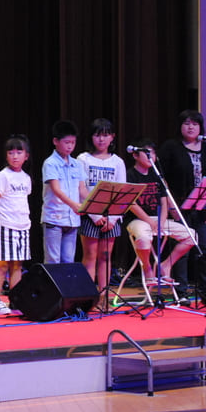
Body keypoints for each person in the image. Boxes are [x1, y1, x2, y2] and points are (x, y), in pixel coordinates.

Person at [158, 110, 206, 306]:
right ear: (180, 126)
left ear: (200, 127)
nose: (190, 127)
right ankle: (181, 292)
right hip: (179, 207)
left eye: (194, 123)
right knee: (183, 250)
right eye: (186, 123)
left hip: (204, 208)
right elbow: (161, 178)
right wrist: (170, 205)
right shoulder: (171, 147)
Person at [126, 140, 196, 296]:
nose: (151, 157)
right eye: (147, 153)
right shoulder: (130, 175)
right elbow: (132, 204)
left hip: (158, 219)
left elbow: (164, 202)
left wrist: (162, 221)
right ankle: (147, 267)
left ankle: (166, 265)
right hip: (139, 220)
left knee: (192, 236)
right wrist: (150, 221)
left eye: (153, 153)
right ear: (136, 155)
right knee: (144, 238)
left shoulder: (157, 174)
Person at [76, 119, 126, 294]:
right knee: (90, 256)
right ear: (91, 137)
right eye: (98, 135)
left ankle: (104, 294)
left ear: (112, 137)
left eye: (105, 135)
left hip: (112, 216)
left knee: (105, 256)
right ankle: (87, 295)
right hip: (90, 215)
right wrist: (96, 216)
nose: (101, 140)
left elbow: (122, 191)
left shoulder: (117, 162)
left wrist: (112, 218)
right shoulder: (83, 159)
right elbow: (80, 189)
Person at [0, 135, 32, 316]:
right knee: (3, 264)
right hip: (5, 225)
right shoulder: (3, 176)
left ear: (26, 156)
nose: (15, 156)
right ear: (6, 156)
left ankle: (15, 299)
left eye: (19, 152)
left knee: (17, 265)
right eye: (11, 153)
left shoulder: (26, 178)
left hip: (23, 226)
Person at [41, 120, 88, 264]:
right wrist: (74, 204)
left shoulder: (76, 164)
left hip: (72, 220)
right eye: (67, 142)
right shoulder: (50, 163)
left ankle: (65, 287)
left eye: (73, 142)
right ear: (56, 141)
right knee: (53, 260)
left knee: (68, 260)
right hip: (54, 218)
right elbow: (56, 190)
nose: (70, 146)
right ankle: (50, 287)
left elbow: (82, 189)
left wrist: (91, 205)